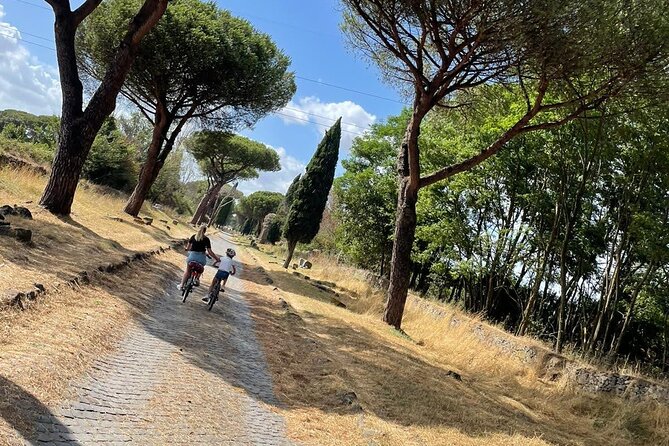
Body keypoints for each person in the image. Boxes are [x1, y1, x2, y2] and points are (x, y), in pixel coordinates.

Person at [178, 224, 220, 291]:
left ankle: (181, 285)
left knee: (188, 271)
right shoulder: (206, 239)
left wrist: (187, 249)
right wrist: (216, 258)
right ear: (205, 231)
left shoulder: (193, 236)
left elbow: (188, 248)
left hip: (192, 257)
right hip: (201, 258)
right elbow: (210, 252)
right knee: (201, 268)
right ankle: (197, 278)